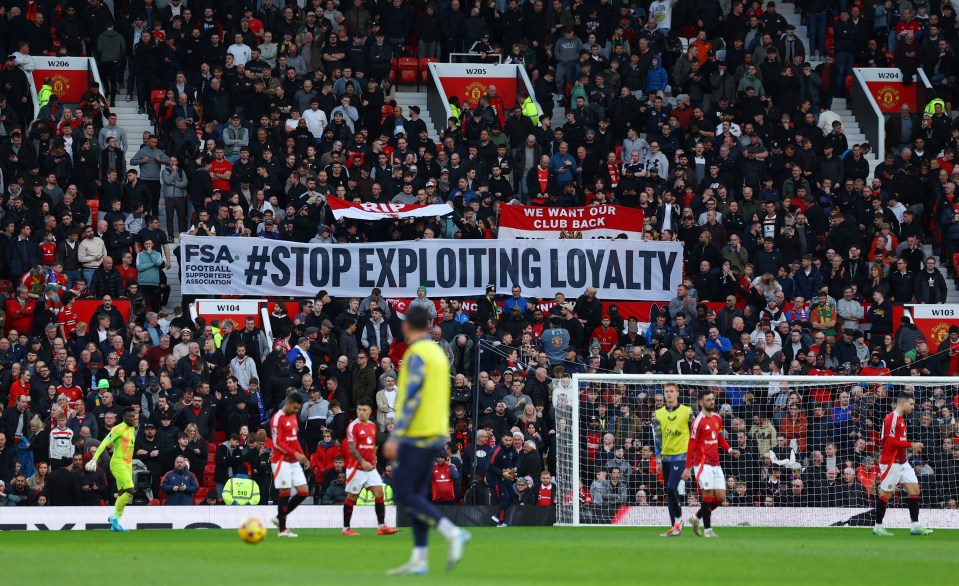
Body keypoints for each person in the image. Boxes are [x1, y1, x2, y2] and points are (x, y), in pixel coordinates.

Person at [382, 305, 470, 575]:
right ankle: (420, 558)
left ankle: (452, 532)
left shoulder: (417, 353)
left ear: (408, 327)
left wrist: (397, 433)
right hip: (434, 429)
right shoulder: (439, 353)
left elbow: (414, 394)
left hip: (417, 432)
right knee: (418, 493)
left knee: (403, 491)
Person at [872, 390, 934, 536]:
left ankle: (915, 525)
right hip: (891, 462)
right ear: (903, 403)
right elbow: (891, 441)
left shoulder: (901, 419)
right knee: (886, 495)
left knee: (914, 490)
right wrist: (911, 445)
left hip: (903, 462)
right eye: (911, 404)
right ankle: (877, 527)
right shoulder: (891, 418)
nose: (913, 407)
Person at [684, 390, 740, 538]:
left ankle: (695, 517)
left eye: (712, 400)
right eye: (708, 400)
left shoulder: (717, 418)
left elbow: (720, 437)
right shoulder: (697, 422)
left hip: (716, 464)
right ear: (701, 402)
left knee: (720, 497)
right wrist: (688, 467)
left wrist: (729, 450)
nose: (711, 402)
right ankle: (708, 530)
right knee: (708, 494)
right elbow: (691, 445)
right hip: (702, 464)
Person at [341, 398, 399, 536]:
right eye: (359, 410)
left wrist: (372, 459)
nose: (361, 413)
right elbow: (352, 448)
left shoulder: (372, 426)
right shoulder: (353, 426)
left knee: (379, 493)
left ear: (369, 411)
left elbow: (371, 446)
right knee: (352, 497)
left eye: (364, 410)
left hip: (370, 468)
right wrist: (362, 462)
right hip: (356, 468)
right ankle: (346, 529)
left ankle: (381, 526)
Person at [85, 406, 138, 531]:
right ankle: (114, 517)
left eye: (134, 416)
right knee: (130, 490)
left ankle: (115, 524)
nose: (132, 418)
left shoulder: (132, 429)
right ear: (124, 417)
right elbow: (104, 443)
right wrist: (94, 458)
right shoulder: (118, 428)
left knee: (122, 494)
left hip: (128, 464)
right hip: (117, 463)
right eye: (130, 416)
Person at [654, 382, 693, 536]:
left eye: (671, 391)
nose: (668, 394)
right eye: (666, 391)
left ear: (677, 393)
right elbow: (657, 439)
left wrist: (691, 463)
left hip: (681, 456)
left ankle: (679, 520)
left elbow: (695, 435)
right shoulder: (659, 414)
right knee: (670, 492)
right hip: (665, 458)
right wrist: (658, 459)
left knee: (671, 487)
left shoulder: (687, 411)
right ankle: (675, 526)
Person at [270, 392, 311, 537]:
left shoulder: (293, 417)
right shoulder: (277, 418)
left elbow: (294, 440)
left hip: (293, 461)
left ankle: (279, 517)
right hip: (281, 460)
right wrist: (296, 454)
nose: (295, 411)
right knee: (285, 492)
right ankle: (282, 529)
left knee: (304, 491)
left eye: (297, 409)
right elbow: (277, 443)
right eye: (294, 408)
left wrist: (303, 457)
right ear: (287, 403)